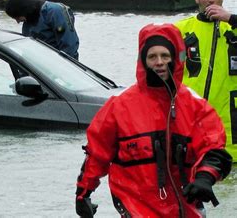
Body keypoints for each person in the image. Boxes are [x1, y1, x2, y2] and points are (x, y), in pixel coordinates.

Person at [74, 23, 232, 217]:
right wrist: (83, 193)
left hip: (186, 206)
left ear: (175, 58)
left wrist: (205, 178)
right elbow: (97, 154)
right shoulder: (119, 106)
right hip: (136, 208)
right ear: (143, 61)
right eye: (152, 57)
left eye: (165, 56)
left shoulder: (195, 106)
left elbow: (214, 149)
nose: (159, 62)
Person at [174, 0, 237, 162]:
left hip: (230, 124)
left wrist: (231, 19)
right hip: (193, 121)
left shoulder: (233, 28)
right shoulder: (181, 30)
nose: (211, 0)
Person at [4, 0, 80, 59]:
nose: (18, 22)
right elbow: (27, 50)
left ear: (23, 10)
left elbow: (69, 45)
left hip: (60, 65)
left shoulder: (55, 12)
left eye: (17, 17)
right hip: (41, 65)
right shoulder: (28, 20)